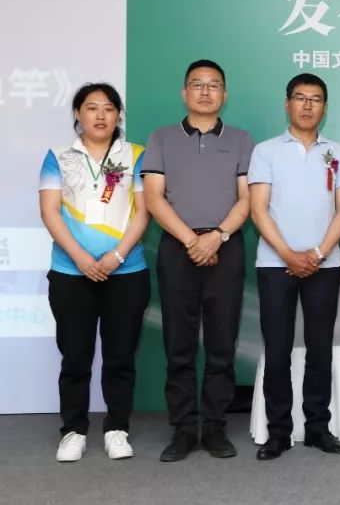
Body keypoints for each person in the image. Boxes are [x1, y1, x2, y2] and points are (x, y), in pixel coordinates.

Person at [142, 59, 254, 462]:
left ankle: (215, 427)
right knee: (179, 345)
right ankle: (185, 429)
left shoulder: (241, 140)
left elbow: (248, 198)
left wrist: (217, 237)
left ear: (225, 94)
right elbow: (153, 197)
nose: (206, 91)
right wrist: (192, 240)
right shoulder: (162, 138)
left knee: (222, 344)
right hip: (178, 248)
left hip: (225, 247)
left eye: (214, 85)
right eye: (197, 84)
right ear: (184, 92)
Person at [39, 83, 151, 462]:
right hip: (71, 274)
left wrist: (116, 256)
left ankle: (117, 429)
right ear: (77, 114)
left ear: (118, 115)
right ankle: (73, 431)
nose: (100, 115)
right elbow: (50, 211)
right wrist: (81, 258)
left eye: (108, 108)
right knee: (75, 356)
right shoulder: (58, 157)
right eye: (91, 108)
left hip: (127, 272)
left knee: (120, 357)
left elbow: (144, 211)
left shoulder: (136, 155)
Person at [248, 74, 340, 460]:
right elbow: (258, 209)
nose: (308, 105)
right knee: (277, 350)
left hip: (325, 265)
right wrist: (289, 255)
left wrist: (319, 254)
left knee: (319, 349)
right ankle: (278, 432)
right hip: (275, 264)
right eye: (300, 97)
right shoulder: (266, 151)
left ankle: (318, 428)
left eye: (316, 99)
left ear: (325, 107)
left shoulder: (337, 151)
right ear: (287, 103)